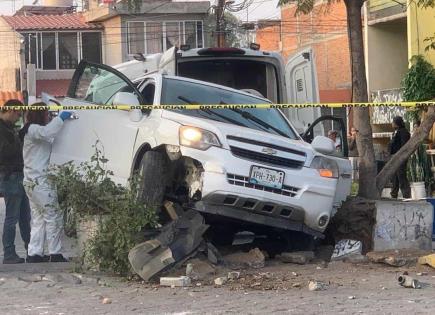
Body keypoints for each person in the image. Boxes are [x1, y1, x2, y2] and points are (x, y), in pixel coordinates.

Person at [20, 106, 72, 263]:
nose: (49, 116)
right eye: (47, 114)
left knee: (38, 218)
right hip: (40, 181)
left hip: (31, 181)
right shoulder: (34, 129)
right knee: (52, 216)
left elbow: (49, 136)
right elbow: (49, 132)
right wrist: (60, 118)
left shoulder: (31, 130)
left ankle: (34, 253)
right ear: (40, 114)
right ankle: (55, 253)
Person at [0, 100, 31, 264]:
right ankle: (9, 253)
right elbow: (4, 152)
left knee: (25, 216)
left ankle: (32, 250)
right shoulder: (2, 129)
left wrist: (20, 134)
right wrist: (19, 139)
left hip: (17, 175)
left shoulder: (8, 128)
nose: (18, 118)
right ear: (10, 110)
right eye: (18, 114)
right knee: (12, 217)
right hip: (10, 176)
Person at [390, 116, 411, 199]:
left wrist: (399, 155)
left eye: (393, 122)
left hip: (400, 158)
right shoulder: (396, 132)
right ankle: (394, 194)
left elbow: (404, 146)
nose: (392, 124)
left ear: (397, 123)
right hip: (395, 157)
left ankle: (406, 196)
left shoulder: (404, 132)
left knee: (401, 176)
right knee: (395, 177)